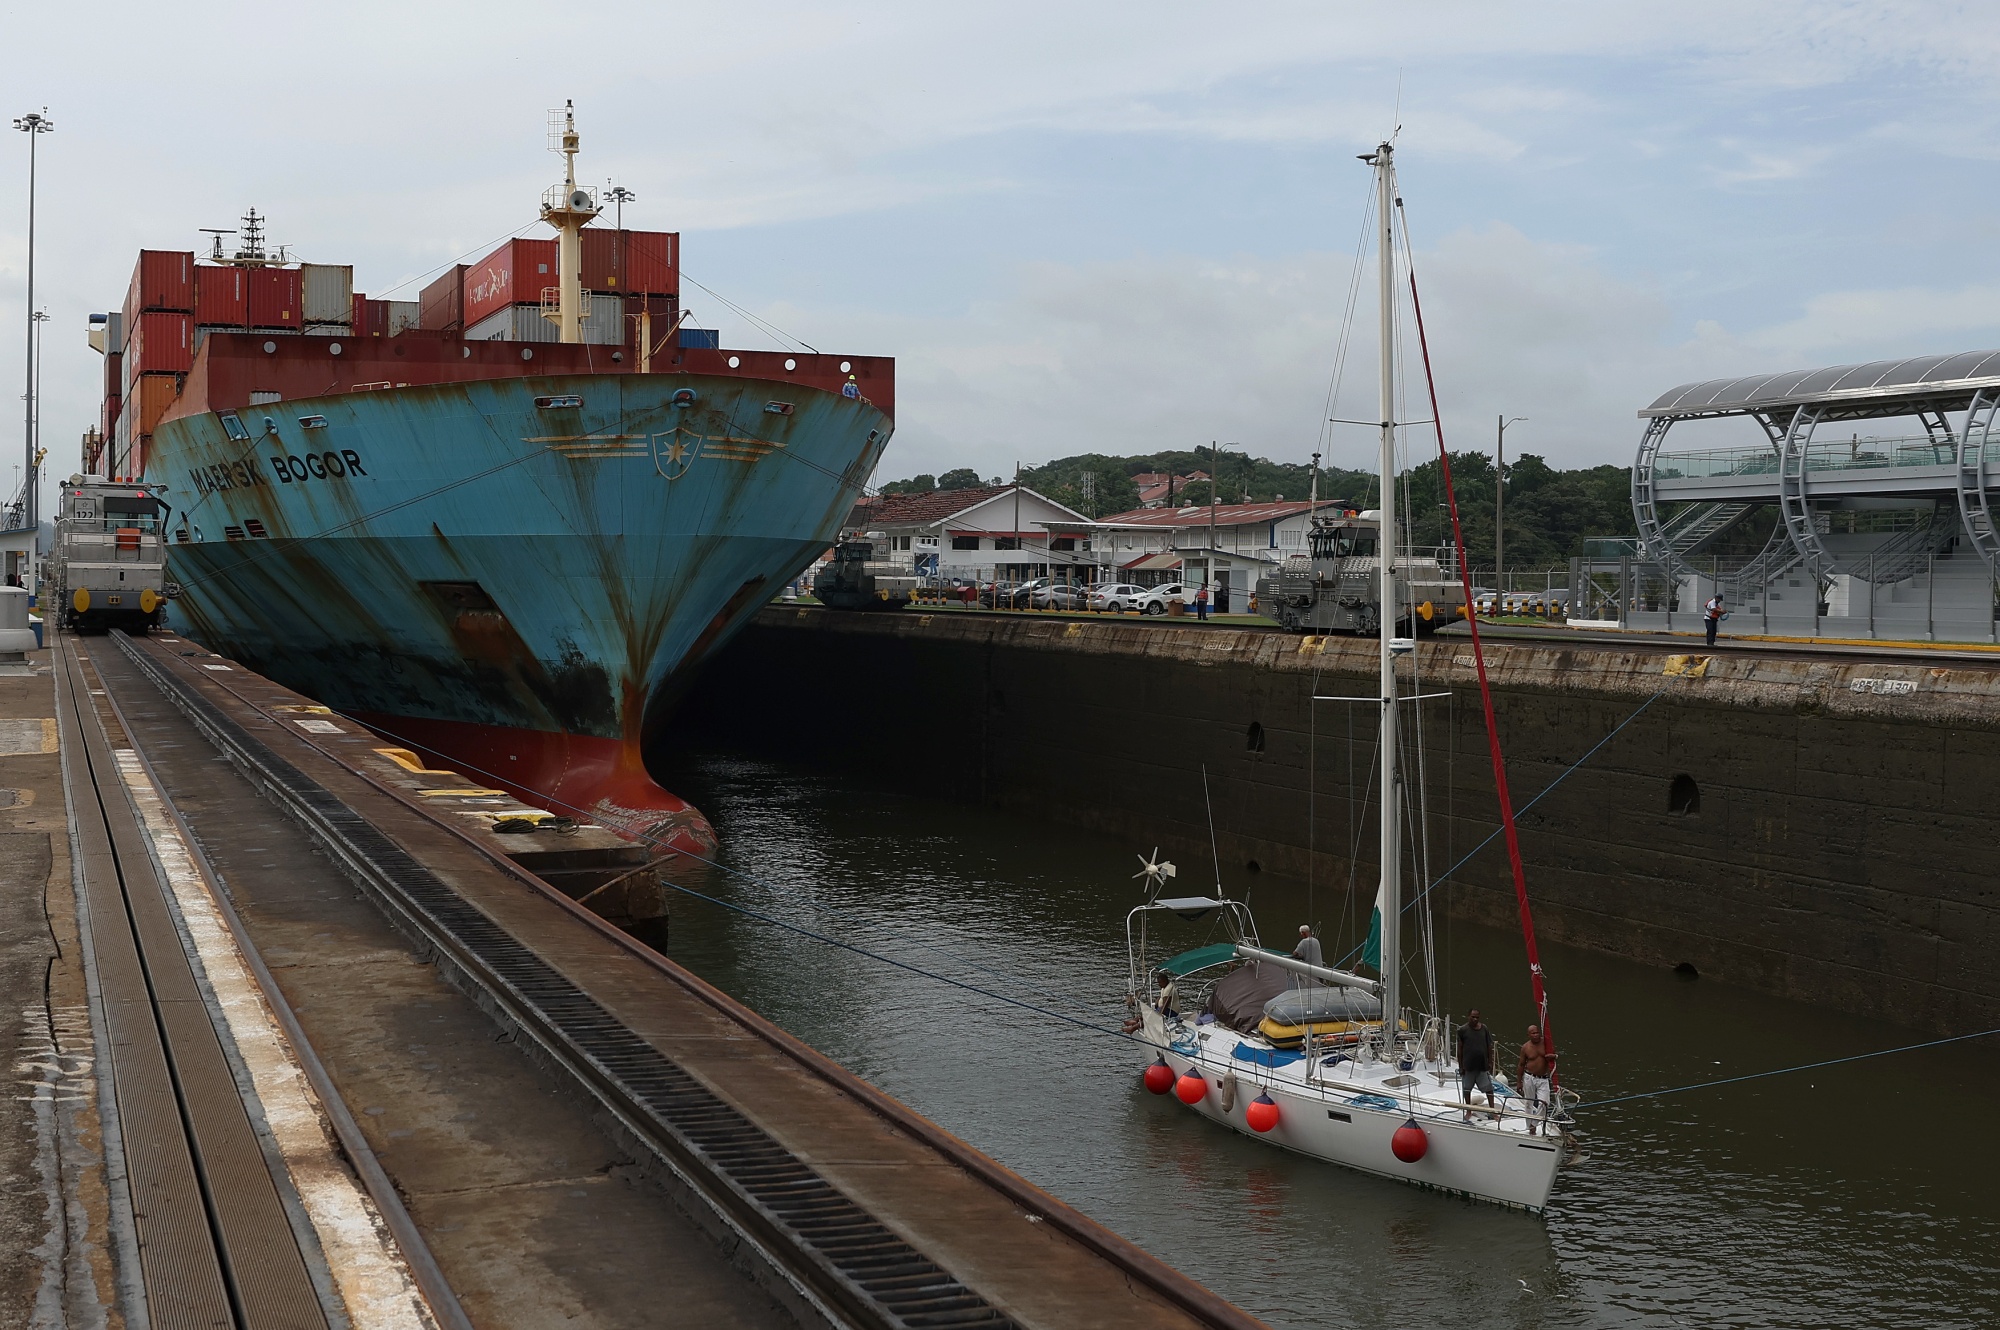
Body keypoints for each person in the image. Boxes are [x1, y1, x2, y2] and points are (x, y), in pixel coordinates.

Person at [1457, 1009, 1496, 1121]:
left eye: (1477, 1017)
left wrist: (1490, 1062)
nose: (1475, 1019)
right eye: (1473, 1017)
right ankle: (1469, 1111)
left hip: (1482, 1066)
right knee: (1467, 1089)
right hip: (1468, 1066)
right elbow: (1460, 1049)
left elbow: (1489, 1046)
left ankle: (1492, 1111)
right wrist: (1460, 1066)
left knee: (1489, 1089)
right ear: (1468, 1016)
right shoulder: (1462, 1030)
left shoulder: (1484, 1029)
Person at [1517, 1024, 1555, 1135]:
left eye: (1537, 1032)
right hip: (1529, 1077)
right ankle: (1530, 1128)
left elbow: (1554, 1054)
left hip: (1543, 1079)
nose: (1535, 1035)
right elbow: (1521, 1064)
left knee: (1544, 1103)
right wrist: (1519, 1082)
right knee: (1528, 1103)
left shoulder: (1546, 1043)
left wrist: (1554, 1056)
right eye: (1533, 1033)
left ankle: (1534, 1123)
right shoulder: (1525, 1047)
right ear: (1528, 1035)